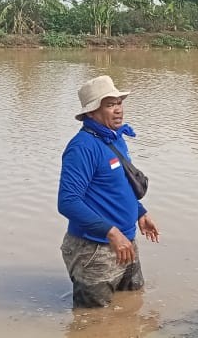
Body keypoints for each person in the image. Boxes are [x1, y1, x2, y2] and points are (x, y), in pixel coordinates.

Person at [58, 75, 160, 307]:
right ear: (91, 112)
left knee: (132, 305)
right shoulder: (82, 147)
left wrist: (139, 212)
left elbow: (118, 184)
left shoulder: (114, 138)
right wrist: (111, 233)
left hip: (126, 243)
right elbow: (68, 201)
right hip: (94, 250)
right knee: (91, 325)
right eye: (109, 104)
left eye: (119, 103)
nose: (118, 110)